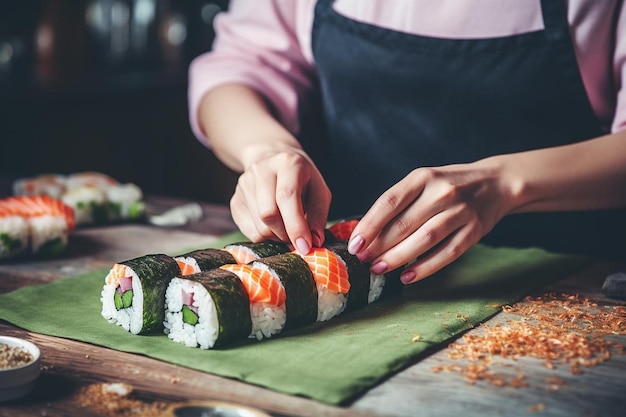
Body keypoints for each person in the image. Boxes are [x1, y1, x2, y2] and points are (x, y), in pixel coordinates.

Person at [189, 0, 626, 285]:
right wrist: (265, 149)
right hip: (356, 275)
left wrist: (504, 183)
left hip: (575, 283)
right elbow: (235, 69)